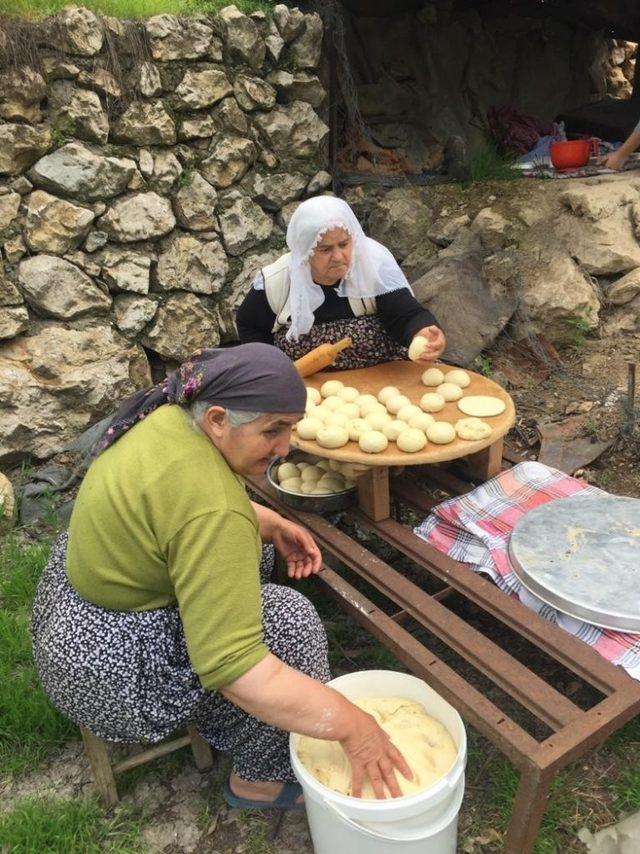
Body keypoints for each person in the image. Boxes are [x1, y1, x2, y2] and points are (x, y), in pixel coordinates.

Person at [31, 344, 411, 810]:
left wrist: (265, 524)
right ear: (216, 419)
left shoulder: (167, 417)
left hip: (70, 623)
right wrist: (356, 727)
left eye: (290, 428)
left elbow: (174, 504)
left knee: (253, 565)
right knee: (290, 624)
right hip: (114, 678)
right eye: (272, 430)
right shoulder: (215, 512)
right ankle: (260, 779)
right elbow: (237, 668)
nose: (285, 447)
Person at [236, 196, 446, 370]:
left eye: (344, 244)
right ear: (305, 252)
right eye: (326, 249)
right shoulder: (278, 281)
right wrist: (269, 370)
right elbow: (249, 324)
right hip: (308, 387)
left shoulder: (371, 266)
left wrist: (423, 332)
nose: (338, 256)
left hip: (381, 376)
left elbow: (405, 314)